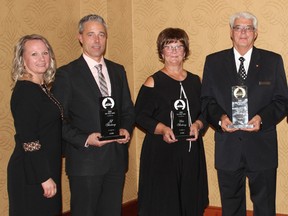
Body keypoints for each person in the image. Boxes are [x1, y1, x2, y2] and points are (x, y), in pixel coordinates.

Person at [201, 11, 288, 216]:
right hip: (228, 147)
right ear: (231, 32)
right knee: (230, 208)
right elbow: (206, 101)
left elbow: (282, 101)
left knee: (265, 207)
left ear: (255, 33)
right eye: (238, 27)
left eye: (248, 28)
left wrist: (262, 118)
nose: (243, 32)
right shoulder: (213, 62)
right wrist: (220, 118)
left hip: (262, 147)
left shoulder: (272, 61)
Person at [52, 14, 135, 216]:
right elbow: (57, 121)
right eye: (91, 35)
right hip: (85, 163)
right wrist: (85, 139)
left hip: (115, 160)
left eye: (101, 35)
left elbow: (127, 110)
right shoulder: (67, 74)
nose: (97, 40)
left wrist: (125, 128)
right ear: (80, 37)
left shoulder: (118, 71)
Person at [135, 27, 209, 216]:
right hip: (162, 153)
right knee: (165, 205)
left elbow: (206, 112)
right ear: (161, 52)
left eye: (178, 46)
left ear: (185, 51)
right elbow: (140, 116)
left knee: (190, 202)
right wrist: (162, 129)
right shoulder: (153, 81)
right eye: (169, 47)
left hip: (190, 154)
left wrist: (198, 125)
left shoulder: (195, 81)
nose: (174, 51)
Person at [7, 34, 63, 216]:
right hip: (31, 174)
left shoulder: (40, 88)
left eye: (45, 53)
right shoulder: (25, 91)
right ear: (22, 60)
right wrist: (43, 177)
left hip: (44, 167)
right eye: (34, 54)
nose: (41, 59)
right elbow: (29, 139)